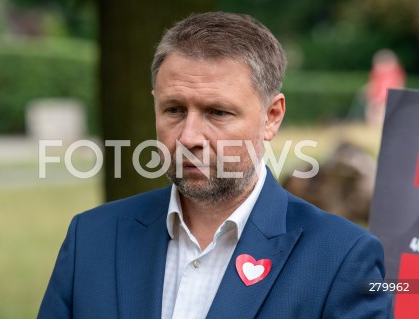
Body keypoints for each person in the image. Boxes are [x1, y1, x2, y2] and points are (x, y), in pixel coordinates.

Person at [38, 12, 392, 318]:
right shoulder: (92, 238)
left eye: (217, 112)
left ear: (272, 117)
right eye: (174, 109)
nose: (190, 136)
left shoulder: (342, 257)